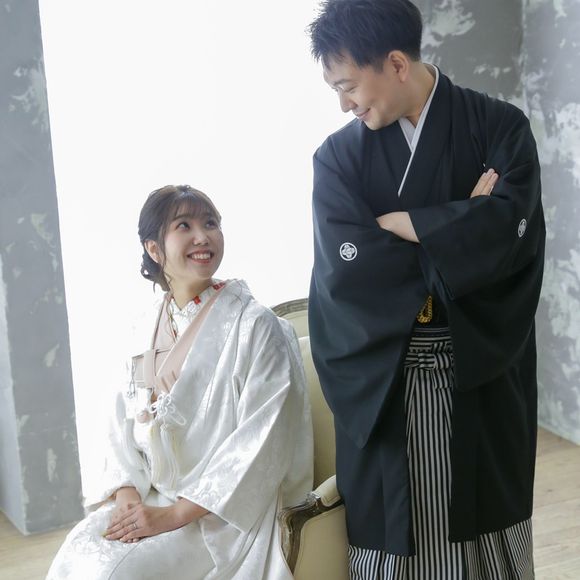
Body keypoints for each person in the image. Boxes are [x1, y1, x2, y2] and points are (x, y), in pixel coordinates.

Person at [307, 1, 544, 578]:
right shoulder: (338, 158)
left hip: (481, 370)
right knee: (401, 534)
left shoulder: (500, 127)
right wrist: (462, 221)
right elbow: (350, 270)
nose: (344, 105)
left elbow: (511, 237)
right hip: (389, 378)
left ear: (395, 64)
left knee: (488, 529)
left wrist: (406, 223)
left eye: (347, 86)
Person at [47, 185, 313, 580]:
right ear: (154, 249)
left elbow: (263, 441)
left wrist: (173, 515)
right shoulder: (143, 326)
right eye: (184, 226)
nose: (203, 237)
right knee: (79, 552)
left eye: (211, 223)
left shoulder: (257, 327)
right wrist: (127, 497)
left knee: (114, 574)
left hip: (220, 516)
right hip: (153, 497)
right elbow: (118, 425)